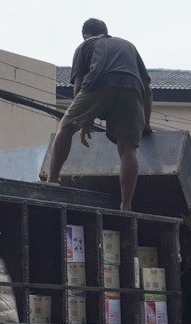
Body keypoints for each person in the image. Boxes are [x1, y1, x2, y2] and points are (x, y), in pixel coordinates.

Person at [47, 18, 153, 211]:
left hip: (98, 83)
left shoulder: (85, 45)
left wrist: (82, 118)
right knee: (128, 149)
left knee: (65, 127)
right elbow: (147, 88)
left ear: (86, 35)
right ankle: (126, 205)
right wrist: (145, 123)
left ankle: (52, 180)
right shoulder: (128, 45)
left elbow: (79, 84)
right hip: (132, 89)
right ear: (106, 31)